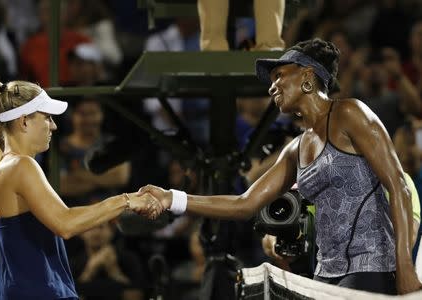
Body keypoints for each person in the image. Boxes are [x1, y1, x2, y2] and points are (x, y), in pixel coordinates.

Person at [138, 38, 422, 295]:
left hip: (372, 267)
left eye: (279, 76)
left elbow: (398, 186)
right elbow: (244, 204)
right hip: (324, 274)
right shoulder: (296, 148)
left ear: (307, 76)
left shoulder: (350, 113)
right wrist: (171, 198)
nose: (272, 86)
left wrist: (406, 267)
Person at [0, 80, 162, 299]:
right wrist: (126, 200)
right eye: (47, 117)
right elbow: (66, 223)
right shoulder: (22, 166)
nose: (53, 126)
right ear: (24, 121)